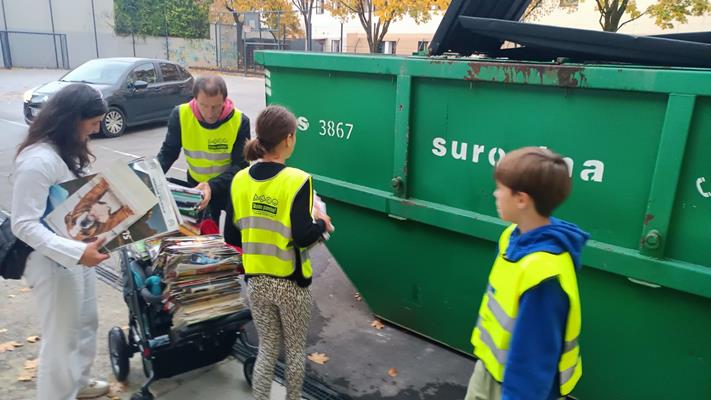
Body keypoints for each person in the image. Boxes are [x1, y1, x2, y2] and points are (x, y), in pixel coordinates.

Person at [225, 105, 334, 400]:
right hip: (291, 283)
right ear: (288, 138)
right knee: (295, 352)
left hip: (256, 282)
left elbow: (231, 235)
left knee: (268, 348)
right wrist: (321, 224)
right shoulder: (297, 180)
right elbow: (303, 236)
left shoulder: (240, 180)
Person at [465, 147, 590, 400]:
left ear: (522, 199)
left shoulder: (544, 275)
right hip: (490, 368)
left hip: (517, 388)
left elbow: (534, 358)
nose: (495, 194)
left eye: (500, 188)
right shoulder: (511, 237)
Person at [11, 84, 111, 400]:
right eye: (92, 123)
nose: (96, 130)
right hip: (51, 261)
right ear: (71, 119)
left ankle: (77, 383)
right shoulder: (38, 160)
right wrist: (77, 252)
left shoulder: (67, 149)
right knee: (61, 338)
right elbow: (23, 223)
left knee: (86, 321)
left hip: (79, 251)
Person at [156, 74, 250, 222]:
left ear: (224, 100)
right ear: (195, 99)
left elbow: (241, 166)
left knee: (233, 232)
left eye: (216, 106)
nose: (210, 114)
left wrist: (211, 186)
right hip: (197, 187)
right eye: (204, 106)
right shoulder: (180, 115)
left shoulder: (240, 121)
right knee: (203, 232)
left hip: (228, 186)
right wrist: (151, 178)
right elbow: (168, 153)